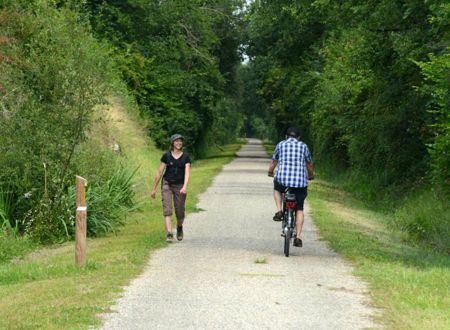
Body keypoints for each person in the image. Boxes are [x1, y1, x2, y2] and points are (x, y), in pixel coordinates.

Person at [268, 127, 314, 247]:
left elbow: (274, 161)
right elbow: (309, 163)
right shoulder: (303, 146)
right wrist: (310, 175)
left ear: (286, 136)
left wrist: (270, 172)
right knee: (299, 208)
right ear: (298, 137)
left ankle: (279, 211)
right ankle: (298, 237)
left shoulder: (281, 144)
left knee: (277, 189)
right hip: (300, 182)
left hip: (282, 180)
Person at [151, 134, 191, 242]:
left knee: (180, 212)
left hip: (180, 186)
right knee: (167, 209)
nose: (179, 143)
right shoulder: (166, 156)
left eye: (180, 141)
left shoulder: (186, 157)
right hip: (167, 184)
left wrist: (185, 186)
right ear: (172, 143)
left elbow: (187, 173)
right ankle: (169, 233)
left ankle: (179, 227)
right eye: (176, 141)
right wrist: (154, 188)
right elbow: (159, 172)